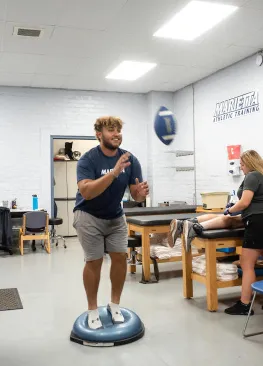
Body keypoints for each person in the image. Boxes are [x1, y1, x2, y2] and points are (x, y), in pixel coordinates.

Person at [73, 116, 149, 329]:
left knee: (119, 257)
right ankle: (92, 309)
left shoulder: (130, 159)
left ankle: (114, 304)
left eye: (118, 130)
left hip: (115, 216)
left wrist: (141, 194)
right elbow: (87, 192)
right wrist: (114, 173)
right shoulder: (88, 160)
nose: (116, 134)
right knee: (94, 261)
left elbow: (136, 194)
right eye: (111, 130)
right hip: (88, 216)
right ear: (99, 134)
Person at [169, 149, 263, 315]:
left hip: (256, 223)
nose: (241, 167)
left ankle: (244, 304)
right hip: (256, 219)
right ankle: (189, 224)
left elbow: (244, 202)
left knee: (247, 265)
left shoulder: (253, 176)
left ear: (249, 162)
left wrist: (230, 210)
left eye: (242, 164)